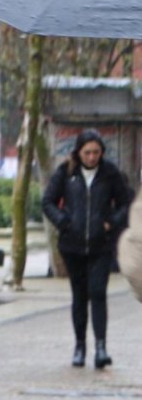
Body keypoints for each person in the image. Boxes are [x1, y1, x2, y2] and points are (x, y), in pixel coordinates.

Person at [42, 128, 134, 369]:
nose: (92, 157)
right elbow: (47, 201)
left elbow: (126, 203)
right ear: (79, 152)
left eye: (96, 152)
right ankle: (80, 345)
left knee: (98, 292)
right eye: (87, 152)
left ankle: (101, 347)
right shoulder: (66, 172)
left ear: (102, 152)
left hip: (100, 244)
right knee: (80, 296)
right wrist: (63, 221)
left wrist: (111, 222)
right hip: (72, 246)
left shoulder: (110, 173)